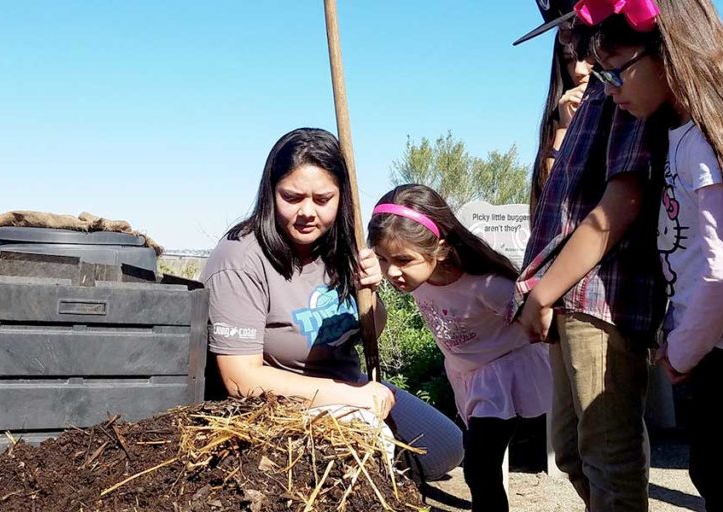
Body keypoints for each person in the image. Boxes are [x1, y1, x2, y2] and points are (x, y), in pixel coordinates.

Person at [585, 2, 723, 509]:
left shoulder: (700, 145)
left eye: (615, 70)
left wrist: (684, 349)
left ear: (670, 55)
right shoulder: (700, 134)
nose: (609, 88)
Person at [200, 127, 464, 481]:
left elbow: (370, 330)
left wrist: (371, 290)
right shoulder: (241, 258)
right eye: (291, 197)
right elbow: (239, 378)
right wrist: (351, 398)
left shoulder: (343, 246)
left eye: (323, 200)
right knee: (361, 444)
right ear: (269, 192)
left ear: (342, 197)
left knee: (446, 448)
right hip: (277, 400)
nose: (307, 212)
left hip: (347, 382)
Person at [511, 0, 670, 509]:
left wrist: (544, 294)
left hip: (604, 293)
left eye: (569, 25)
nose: (564, 41)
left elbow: (621, 202)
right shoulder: (595, 92)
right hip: (570, 292)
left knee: (608, 455)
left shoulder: (628, 88)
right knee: (575, 454)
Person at [368, 184, 552, 512]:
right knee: (481, 464)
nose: (392, 271)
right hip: (466, 373)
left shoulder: (488, 287)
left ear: (439, 249)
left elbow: (538, 328)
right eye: (382, 259)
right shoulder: (417, 278)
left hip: (503, 375)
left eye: (402, 260)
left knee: (480, 465)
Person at [530, 25, 593, 212]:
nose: (579, 70)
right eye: (569, 60)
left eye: (588, 54)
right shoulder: (561, 114)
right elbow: (549, 196)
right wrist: (565, 128)